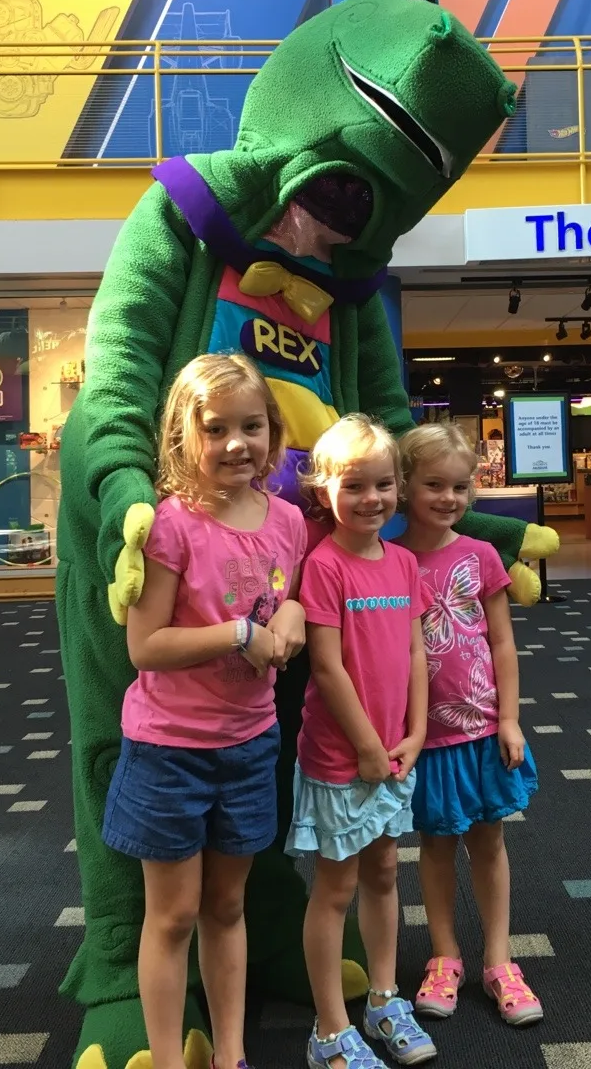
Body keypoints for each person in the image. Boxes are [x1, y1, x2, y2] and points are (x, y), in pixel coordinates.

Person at [103, 353, 308, 1069]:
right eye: (215, 428)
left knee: (228, 907)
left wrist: (290, 621)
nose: (234, 444)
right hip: (169, 752)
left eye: (250, 426)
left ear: (273, 432)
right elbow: (145, 646)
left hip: (250, 747)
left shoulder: (287, 520)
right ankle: (166, 1059)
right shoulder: (172, 525)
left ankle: (230, 1055)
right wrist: (239, 635)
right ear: (184, 436)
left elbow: (290, 595)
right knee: (175, 914)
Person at [287, 414, 437, 1069]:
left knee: (384, 872)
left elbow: (413, 651)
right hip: (341, 758)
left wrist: (417, 730)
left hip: (397, 750)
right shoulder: (323, 567)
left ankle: (383, 996)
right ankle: (329, 1030)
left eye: (382, 485)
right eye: (354, 487)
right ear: (324, 491)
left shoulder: (404, 563)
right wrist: (368, 747)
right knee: (337, 886)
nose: (370, 499)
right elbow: (326, 666)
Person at [395, 424, 543, 1029]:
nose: (448, 497)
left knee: (489, 843)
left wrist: (510, 718)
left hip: (482, 728)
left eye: (460, 486)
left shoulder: (480, 556)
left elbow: (503, 644)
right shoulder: (394, 559)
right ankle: (445, 955)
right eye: (433, 484)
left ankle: (500, 959)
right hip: (425, 737)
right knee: (433, 846)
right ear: (405, 485)